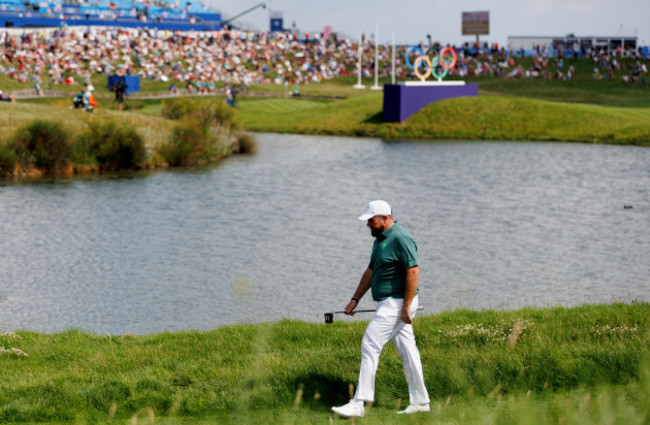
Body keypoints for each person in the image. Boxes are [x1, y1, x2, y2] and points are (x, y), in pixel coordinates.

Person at [331, 200, 430, 418]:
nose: (368, 225)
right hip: (387, 303)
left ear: (385, 218)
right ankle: (421, 402)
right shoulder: (380, 239)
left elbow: (413, 272)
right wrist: (355, 299)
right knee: (408, 352)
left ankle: (359, 403)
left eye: (371, 220)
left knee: (370, 343)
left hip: (397, 303)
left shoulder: (401, 237)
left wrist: (406, 307)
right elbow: (371, 270)